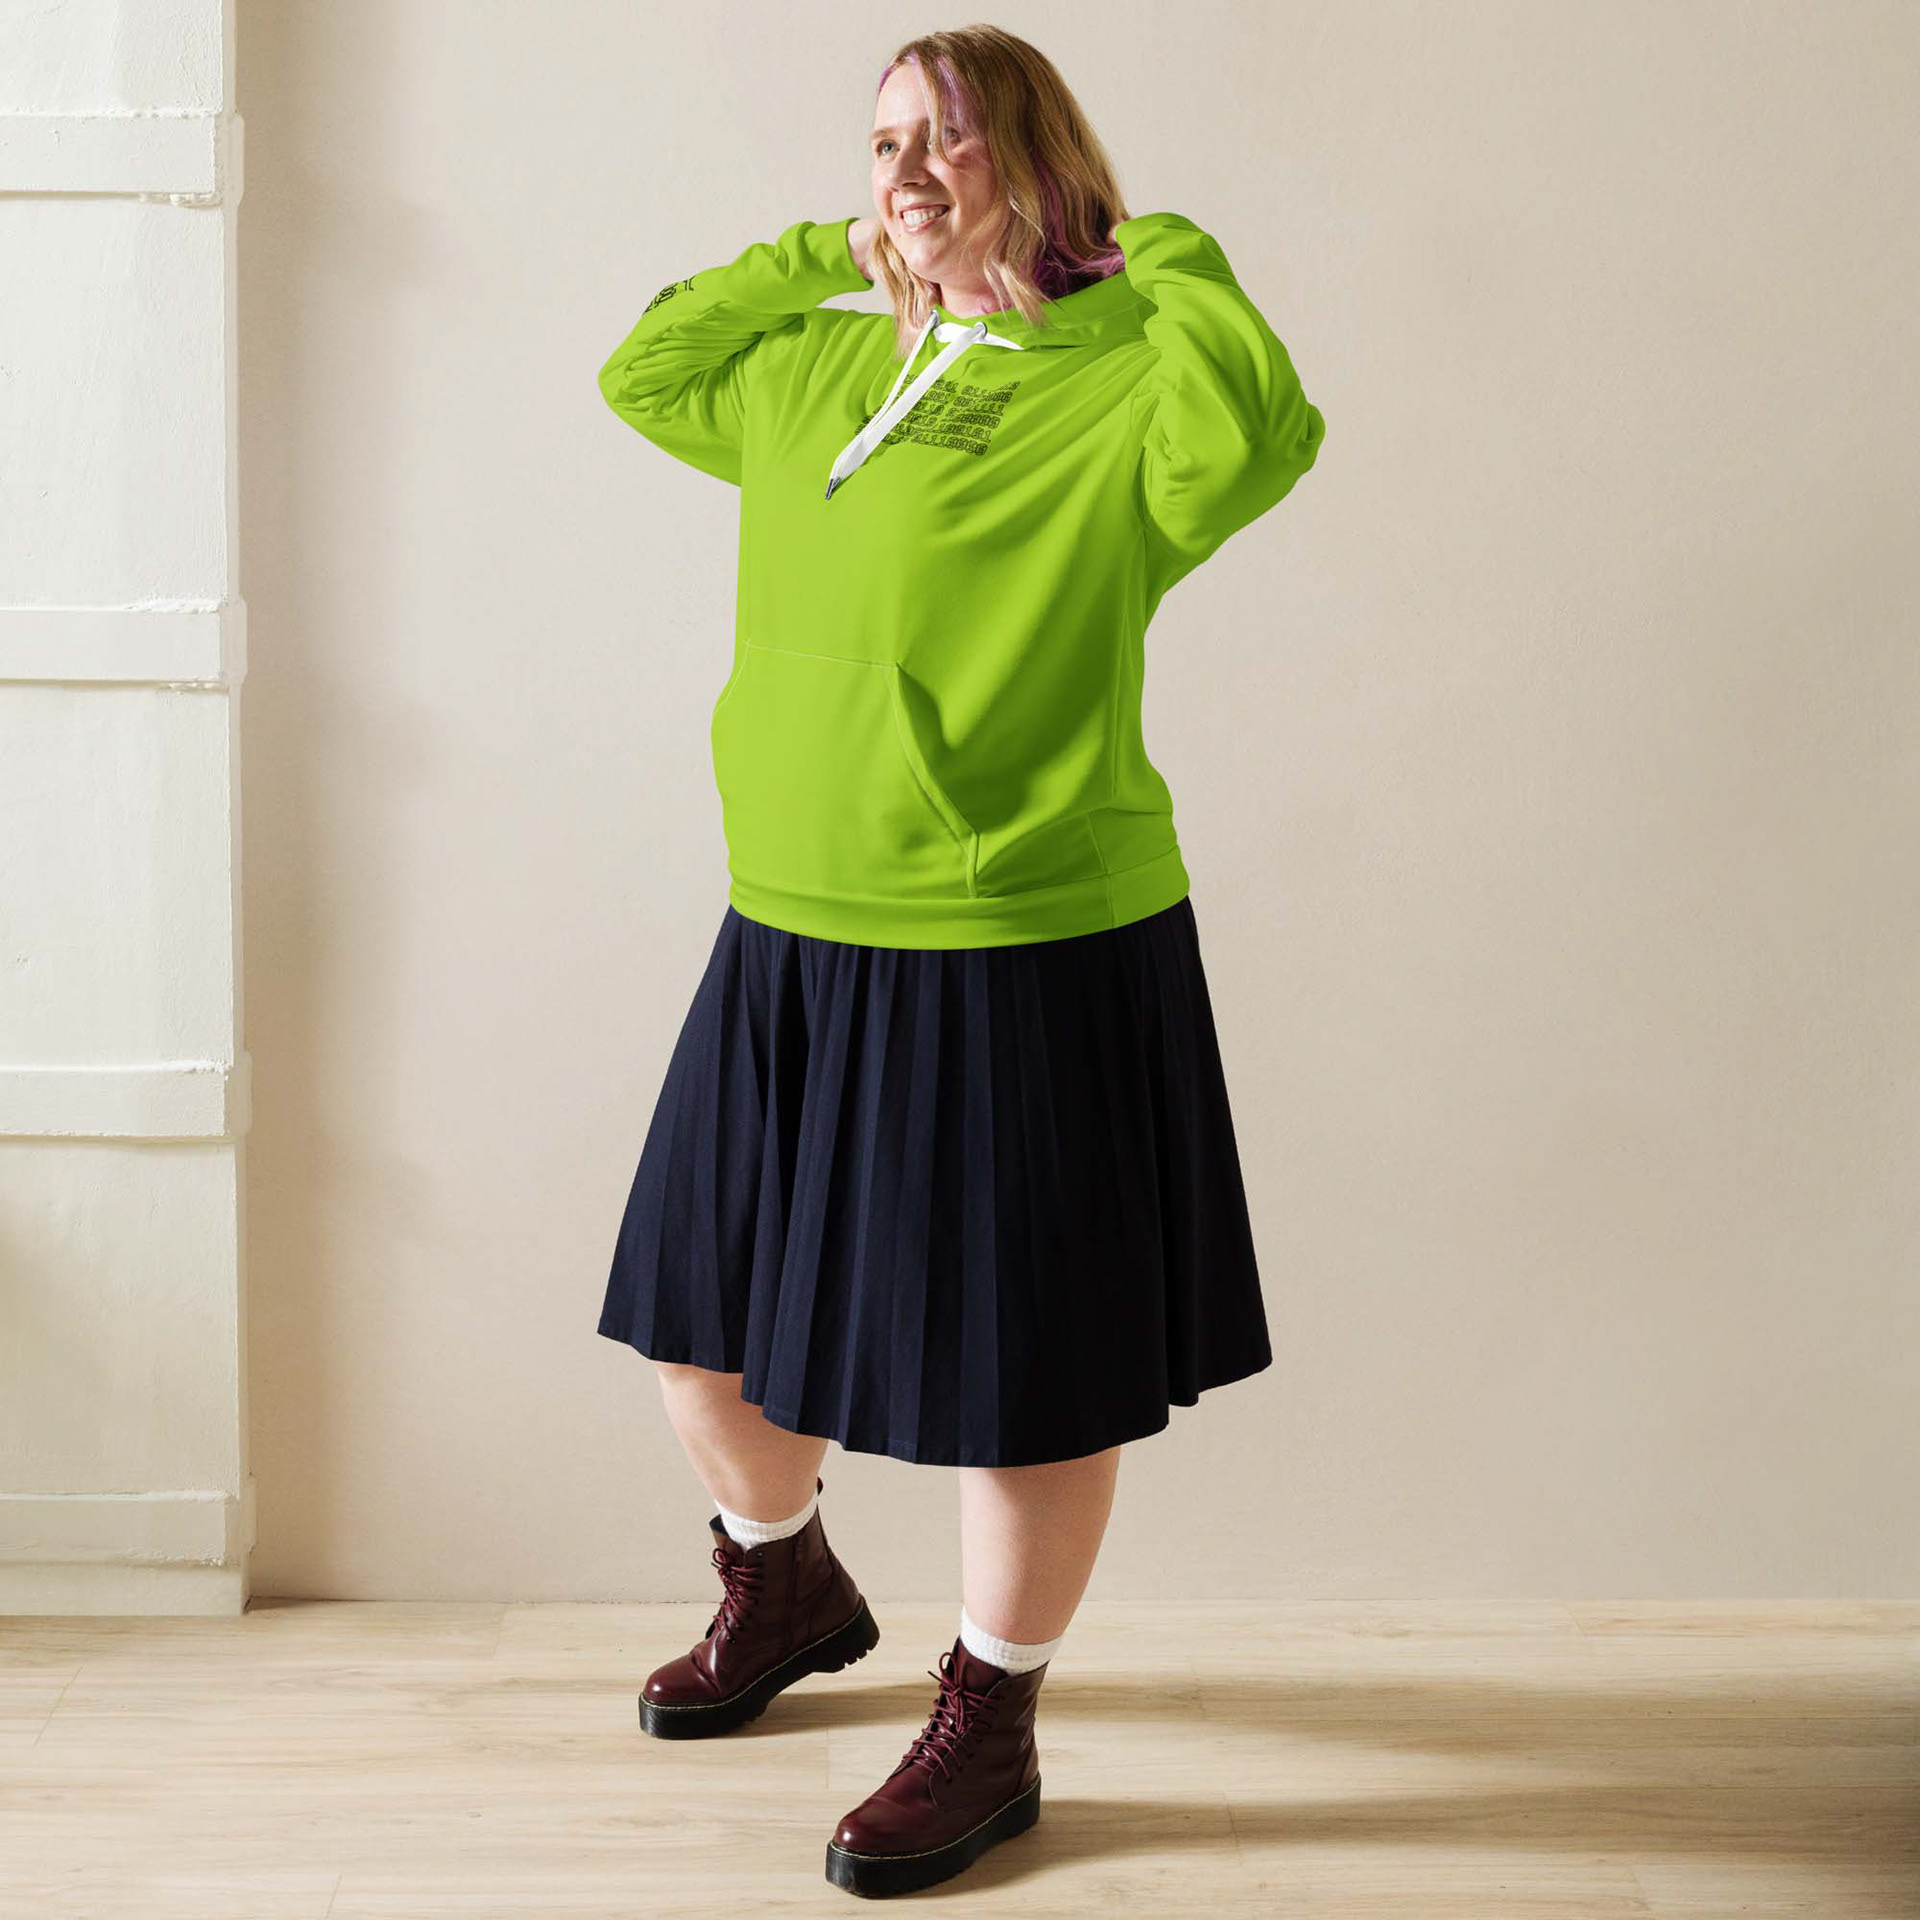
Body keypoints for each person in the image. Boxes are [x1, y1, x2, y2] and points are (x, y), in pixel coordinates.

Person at [593, 22, 1324, 1899]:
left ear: (1040, 164)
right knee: (698, 1333)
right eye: (883, 141)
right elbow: (643, 368)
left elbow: (1262, 427)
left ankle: (990, 1712)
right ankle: (784, 1585)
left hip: (1018, 930)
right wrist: (822, 257)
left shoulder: (1120, 385)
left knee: (1024, 1378)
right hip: (792, 915)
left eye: (951, 139)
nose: (908, 172)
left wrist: (1144, 252)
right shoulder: (821, 365)